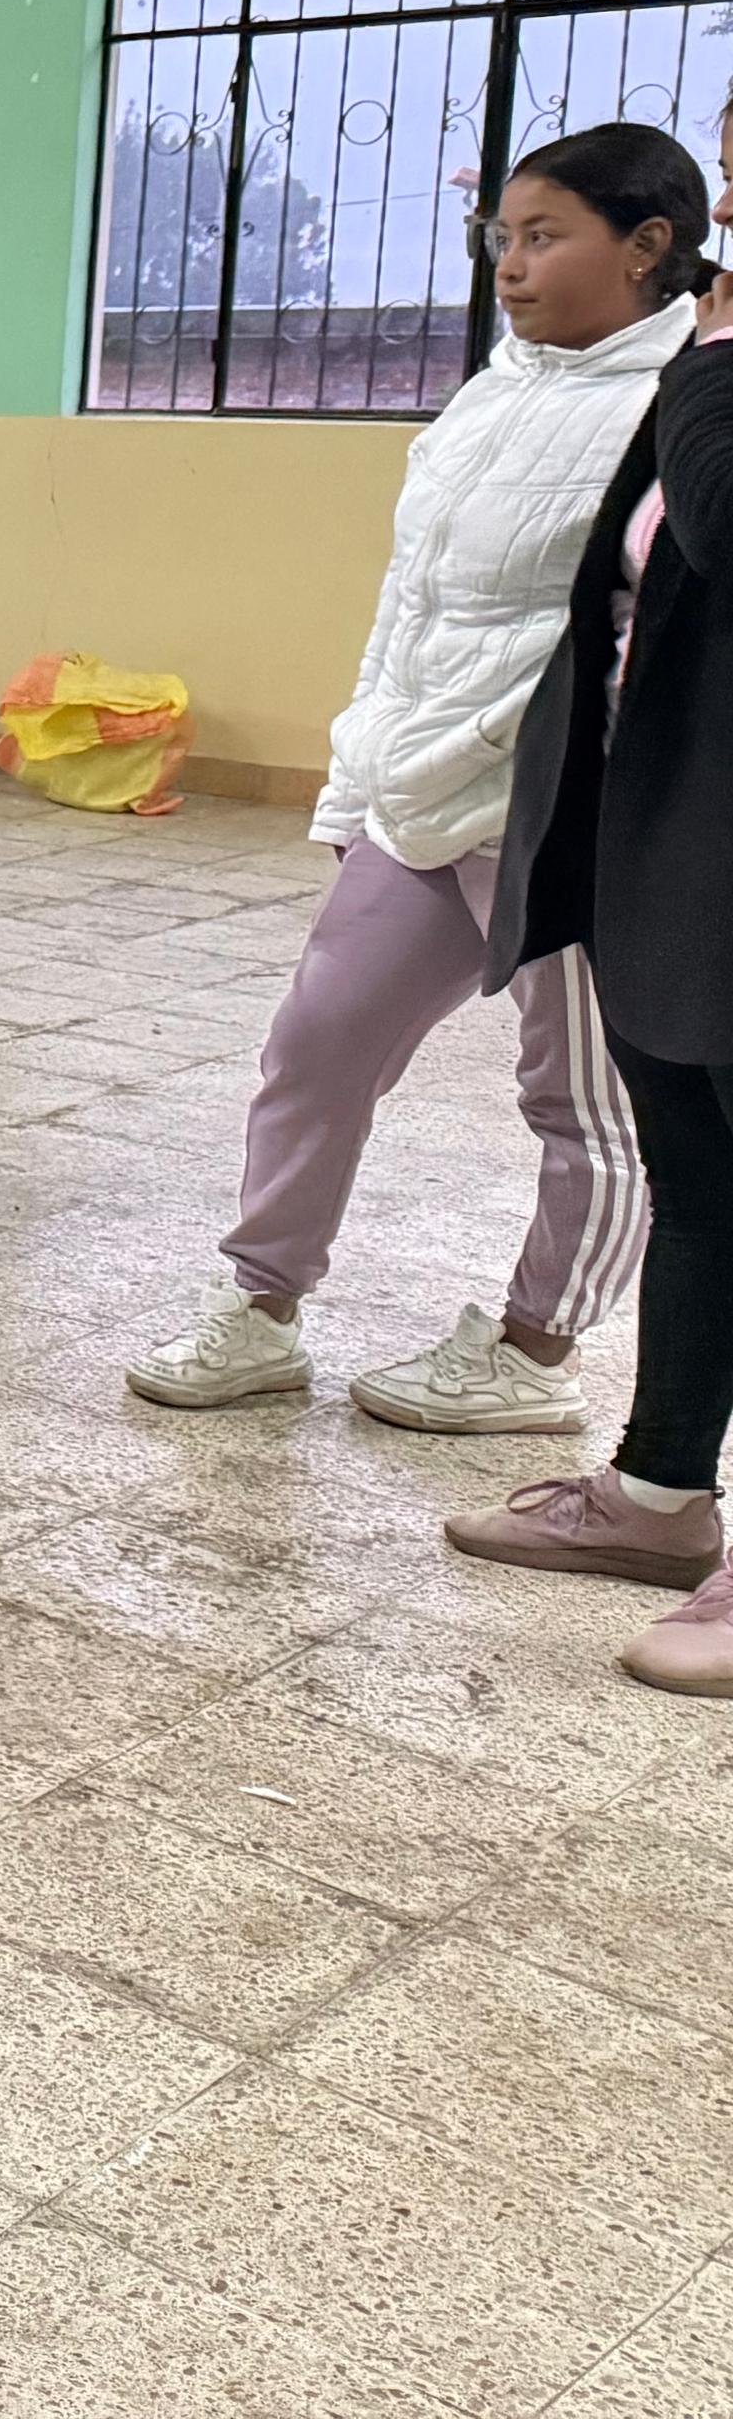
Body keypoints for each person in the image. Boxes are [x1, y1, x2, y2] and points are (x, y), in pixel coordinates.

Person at [124, 122, 682, 1433]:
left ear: (645, 245)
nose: (511, 266)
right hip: (425, 790)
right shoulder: (492, 394)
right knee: (317, 1043)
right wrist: (355, 783)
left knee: (581, 1101)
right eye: (501, 239)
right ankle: (261, 1308)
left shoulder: (681, 406)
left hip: (570, 818)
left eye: (543, 238)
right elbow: (411, 608)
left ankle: (534, 1356)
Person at [462, 109, 733, 1696]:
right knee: (702, 1178)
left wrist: (715, 351)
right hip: (672, 830)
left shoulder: (710, 360)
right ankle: (659, 1492)